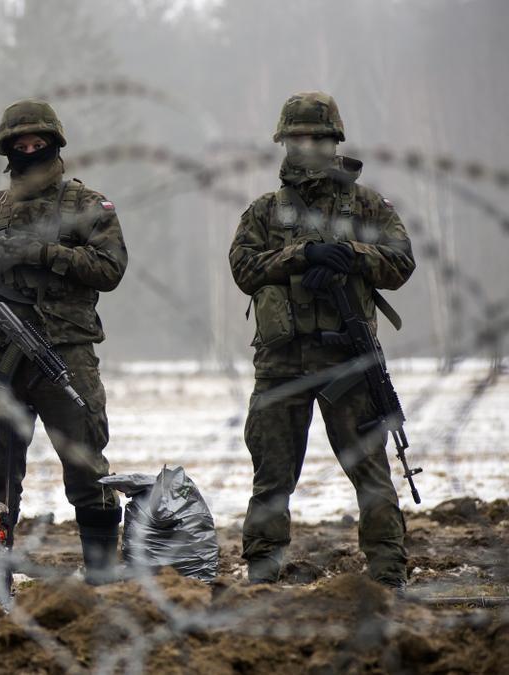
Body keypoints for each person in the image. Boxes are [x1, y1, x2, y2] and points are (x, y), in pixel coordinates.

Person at [228, 91, 416, 588]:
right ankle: (264, 571)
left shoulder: (367, 204)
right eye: (295, 138)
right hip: (281, 362)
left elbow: (400, 263)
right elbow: (243, 269)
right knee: (271, 474)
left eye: (314, 137)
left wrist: (349, 253)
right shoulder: (265, 211)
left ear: (333, 141)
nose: (304, 146)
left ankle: (388, 574)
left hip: (347, 361)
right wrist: (302, 256)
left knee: (371, 472)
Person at [0, 99, 128, 585]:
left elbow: (110, 270)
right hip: (0, 357)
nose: (29, 151)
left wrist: (46, 253)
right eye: (19, 145)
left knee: (87, 468)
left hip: (64, 353)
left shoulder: (87, 206)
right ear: (7, 151)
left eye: (37, 143)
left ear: (54, 144)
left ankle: (102, 575)